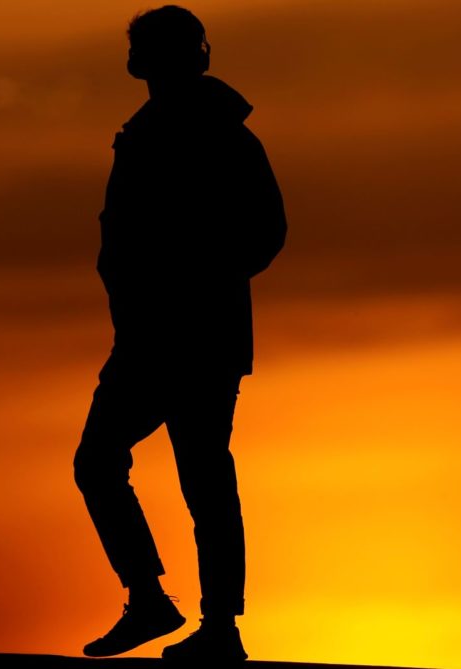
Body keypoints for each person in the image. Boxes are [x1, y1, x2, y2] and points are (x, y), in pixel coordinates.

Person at [73, 5, 287, 662]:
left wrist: (196, 280)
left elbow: (265, 230)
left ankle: (201, 619)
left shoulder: (219, 135)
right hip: (155, 335)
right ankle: (171, 608)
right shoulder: (152, 133)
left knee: (179, 472)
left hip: (185, 337)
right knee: (162, 470)